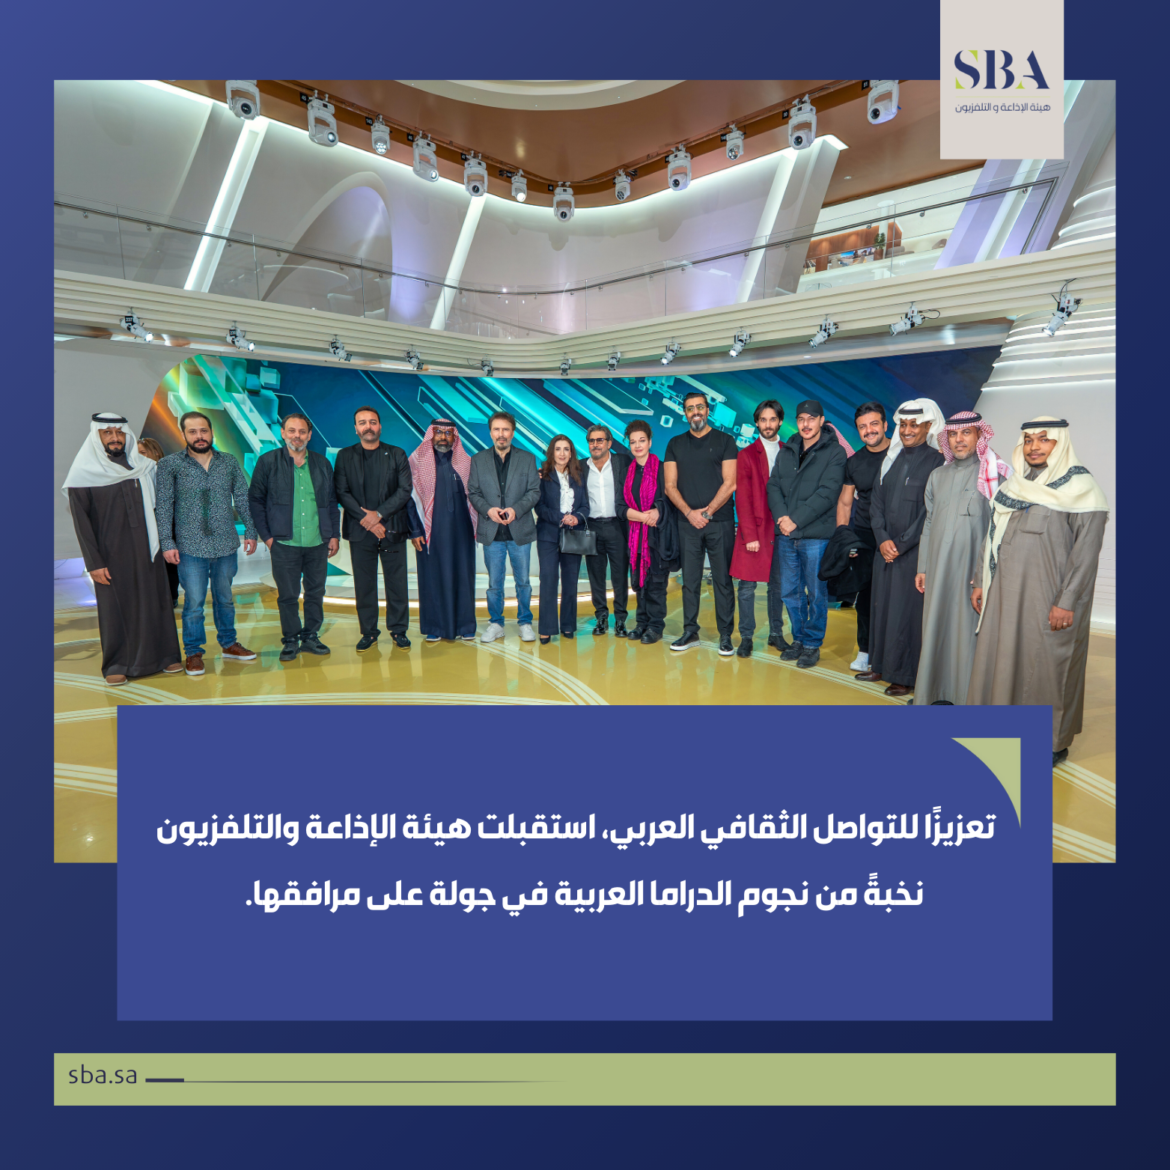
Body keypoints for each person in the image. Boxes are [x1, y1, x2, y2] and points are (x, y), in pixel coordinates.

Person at [968, 417, 1108, 766]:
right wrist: (980, 580)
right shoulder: (1016, 485)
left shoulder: (1082, 489)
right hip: (1004, 593)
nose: (1034, 447)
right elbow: (992, 535)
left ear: (1060, 443)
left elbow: (1085, 554)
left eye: (1044, 440)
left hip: (1050, 599)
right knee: (1003, 660)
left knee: (1048, 667)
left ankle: (1051, 742)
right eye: (1029, 439)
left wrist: (1067, 601)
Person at [63, 413, 182, 685]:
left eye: (119, 432)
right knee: (115, 609)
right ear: (96, 436)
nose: (115, 438)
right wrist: (94, 562)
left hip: (148, 550)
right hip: (110, 554)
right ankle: (117, 663)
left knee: (156, 601)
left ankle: (165, 656)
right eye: (108, 432)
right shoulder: (83, 473)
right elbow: (82, 523)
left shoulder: (143, 467)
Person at [914, 411, 1011, 705]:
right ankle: (932, 692)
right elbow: (929, 522)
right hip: (938, 567)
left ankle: (966, 696)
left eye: (966, 433)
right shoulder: (937, 476)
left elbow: (1001, 528)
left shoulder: (995, 473)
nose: (959, 440)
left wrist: (984, 575)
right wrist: (923, 567)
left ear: (980, 436)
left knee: (967, 631)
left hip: (973, 570)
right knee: (935, 626)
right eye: (953, 434)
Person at [155, 411, 258, 677]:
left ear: (212, 432)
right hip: (189, 547)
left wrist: (251, 530)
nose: (199, 436)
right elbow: (164, 506)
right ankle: (193, 653)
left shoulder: (229, 462)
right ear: (183, 434)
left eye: (203, 430)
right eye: (192, 431)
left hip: (225, 544)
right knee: (193, 603)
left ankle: (229, 644)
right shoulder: (169, 465)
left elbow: (242, 498)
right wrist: (166, 541)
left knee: (225, 599)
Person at [856, 399, 946, 697]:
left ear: (929, 427)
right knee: (882, 609)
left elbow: (929, 512)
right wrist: (882, 538)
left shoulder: (937, 462)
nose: (907, 431)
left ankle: (904, 675)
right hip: (885, 551)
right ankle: (880, 665)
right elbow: (875, 503)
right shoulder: (891, 458)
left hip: (912, 554)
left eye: (914, 425)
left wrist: (902, 543)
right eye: (903, 425)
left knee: (905, 614)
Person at [248, 413, 341, 663]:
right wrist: (267, 537)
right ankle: (290, 639)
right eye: (291, 431)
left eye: (302, 431)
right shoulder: (268, 462)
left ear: (309, 435)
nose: (296, 436)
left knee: (315, 592)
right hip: (283, 543)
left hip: (317, 542)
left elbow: (331, 502)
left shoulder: (322, 463)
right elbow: (255, 501)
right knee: (288, 595)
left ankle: (310, 636)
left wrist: (334, 534)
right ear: (283, 433)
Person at [766, 399, 847, 669]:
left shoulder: (835, 452)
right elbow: (773, 486)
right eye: (801, 419)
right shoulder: (787, 450)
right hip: (786, 535)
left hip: (816, 536)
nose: (806, 424)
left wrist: (795, 520)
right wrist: (782, 518)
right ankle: (799, 639)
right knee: (790, 592)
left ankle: (812, 644)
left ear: (821, 421)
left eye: (812, 418)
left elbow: (828, 493)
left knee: (816, 593)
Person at [333, 406, 413, 653]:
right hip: (360, 532)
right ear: (355, 429)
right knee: (364, 584)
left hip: (392, 529)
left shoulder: (397, 454)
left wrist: (378, 515)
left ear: (380, 426)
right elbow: (342, 492)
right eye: (362, 422)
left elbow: (404, 490)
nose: (368, 426)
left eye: (372, 422)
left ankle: (398, 630)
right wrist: (367, 519)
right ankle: (368, 632)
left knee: (397, 583)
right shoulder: (345, 456)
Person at [664, 390, 738, 655]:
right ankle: (690, 632)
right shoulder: (675, 444)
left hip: (720, 522)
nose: (695, 412)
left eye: (699, 407)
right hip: (687, 524)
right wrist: (689, 513)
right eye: (690, 408)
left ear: (708, 410)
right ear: (685, 413)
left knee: (722, 581)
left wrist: (706, 513)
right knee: (690, 581)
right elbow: (670, 486)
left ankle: (726, 635)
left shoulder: (725, 441)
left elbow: (731, 483)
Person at [468, 410, 541, 643]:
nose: (501, 434)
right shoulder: (478, 460)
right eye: (497, 429)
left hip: (519, 530)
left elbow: (534, 491)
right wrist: (488, 510)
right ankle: (496, 623)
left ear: (513, 432)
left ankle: (525, 622)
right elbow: (473, 492)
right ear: (490, 432)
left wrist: (516, 509)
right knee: (494, 584)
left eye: (506, 429)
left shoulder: (527, 458)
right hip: (492, 532)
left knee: (523, 582)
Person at [405, 419, 479, 642]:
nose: (443, 437)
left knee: (463, 576)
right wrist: (415, 531)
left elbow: (475, 497)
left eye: (448, 433)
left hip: (462, 533)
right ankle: (435, 627)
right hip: (430, 533)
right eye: (438, 432)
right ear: (431, 434)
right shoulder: (416, 462)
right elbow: (409, 500)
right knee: (432, 577)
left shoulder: (466, 462)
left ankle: (465, 625)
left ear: (455, 436)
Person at [729, 400, 787, 658]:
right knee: (746, 588)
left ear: (780, 422)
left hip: (783, 531)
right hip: (756, 531)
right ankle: (746, 637)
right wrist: (750, 535)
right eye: (763, 420)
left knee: (778, 586)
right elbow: (742, 498)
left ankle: (776, 634)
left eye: (772, 419)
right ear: (756, 423)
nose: (767, 424)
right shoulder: (747, 455)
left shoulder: (789, 451)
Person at [836, 401, 891, 672]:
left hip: (900, 536)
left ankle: (894, 653)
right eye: (862, 426)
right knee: (866, 596)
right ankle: (865, 649)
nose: (869, 430)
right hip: (866, 537)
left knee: (897, 596)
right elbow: (845, 503)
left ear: (885, 425)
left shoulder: (902, 454)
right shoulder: (854, 462)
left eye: (874, 424)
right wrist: (844, 539)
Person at [535, 435, 590, 644]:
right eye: (558, 449)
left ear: (571, 453)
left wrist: (576, 518)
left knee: (570, 581)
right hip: (548, 534)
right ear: (552, 452)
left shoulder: (579, 476)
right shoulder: (542, 475)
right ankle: (546, 628)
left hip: (573, 534)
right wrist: (561, 517)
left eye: (566, 449)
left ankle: (568, 625)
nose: (562, 453)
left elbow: (585, 506)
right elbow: (539, 507)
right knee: (548, 579)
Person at [582, 424, 632, 637]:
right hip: (591, 527)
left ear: (609, 443)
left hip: (617, 526)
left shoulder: (622, 462)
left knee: (620, 575)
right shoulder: (580, 466)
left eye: (600, 440)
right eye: (592, 441)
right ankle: (601, 617)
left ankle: (620, 619)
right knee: (596, 576)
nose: (595, 444)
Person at [622, 419, 669, 644]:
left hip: (657, 536)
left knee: (656, 583)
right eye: (633, 442)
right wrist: (643, 517)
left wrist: (658, 510)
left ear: (650, 442)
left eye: (642, 440)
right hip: (635, 536)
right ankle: (641, 623)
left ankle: (655, 626)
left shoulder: (663, 469)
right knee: (639, 582)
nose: (638, 445)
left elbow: (669, 498)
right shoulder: (627, 472)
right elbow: (621, 506)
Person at [137, 436, 180, 607]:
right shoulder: (136, 475)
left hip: (171, 523)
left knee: (170, 562)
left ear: (155, 452)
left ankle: (171, 597)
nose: (139, 457)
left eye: (142, 452)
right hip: (146, 524)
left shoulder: (169, 471)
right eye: (136, 453)